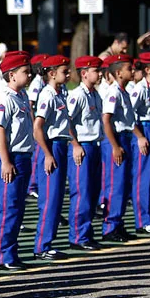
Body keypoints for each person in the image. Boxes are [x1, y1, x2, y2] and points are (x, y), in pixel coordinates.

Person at [0, 51, 34, 270]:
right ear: (12, 75)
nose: (30, 75)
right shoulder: (5, 98)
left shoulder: (22, 96)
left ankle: (11, 251)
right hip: (9, 156)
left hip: (23, 156)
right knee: (8, 207)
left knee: (17, 209)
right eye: (25, 71)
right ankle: (1, 254)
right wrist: (6, 162)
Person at [99, 57, 148, 242]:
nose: (133, 71)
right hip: (116, 140)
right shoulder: (114, 92)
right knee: (115, 186)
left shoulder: (124, 92)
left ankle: (118, 223)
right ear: (119, 72)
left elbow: (128, 121)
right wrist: (114, 146)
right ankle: (110, 226)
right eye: (129, 68)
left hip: (125, 138)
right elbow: (106, 120)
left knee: (124, 184)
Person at [31, 55, 70, 259]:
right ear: (52, 73)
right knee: (50, 199)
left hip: (61, 146)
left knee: (57, 198)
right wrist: (47, 154)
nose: (69, 74)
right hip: (52, 146)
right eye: (65, 71)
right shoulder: (47, 95)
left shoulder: (60, 93)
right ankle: (42, 246)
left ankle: (48, 242)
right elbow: (38, 128)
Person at [65, 56, 103, 251]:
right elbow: (67, 122)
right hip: (83, 146)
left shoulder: (95, 94)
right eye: (96, 70)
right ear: (84, 73)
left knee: (93, 192)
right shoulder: (77, 95)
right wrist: (75, 145)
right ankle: (78, 236)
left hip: (95, 145)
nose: (100, 73)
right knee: (82, 193)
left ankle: (87, 232)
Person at [127, 52, 150, 232]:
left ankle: (149, 217)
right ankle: (142, 220)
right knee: (143, 177)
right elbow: (129, 115)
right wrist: (140, 136)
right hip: (143, 129)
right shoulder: (140, 89)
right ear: (148, 70)